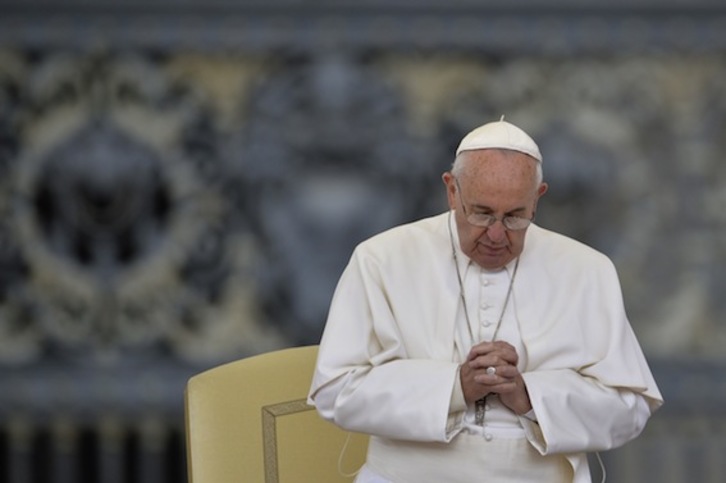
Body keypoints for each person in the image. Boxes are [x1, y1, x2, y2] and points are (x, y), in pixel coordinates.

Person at [308, 118, 663, 482]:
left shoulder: (588, 270)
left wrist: (530, 396)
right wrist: (455, 387)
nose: (495, 234)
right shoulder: (380, 259)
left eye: (514, 217)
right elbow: (335, 392)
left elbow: (629, 407)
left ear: (537, 198)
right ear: (451, 191)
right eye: (481, 213)